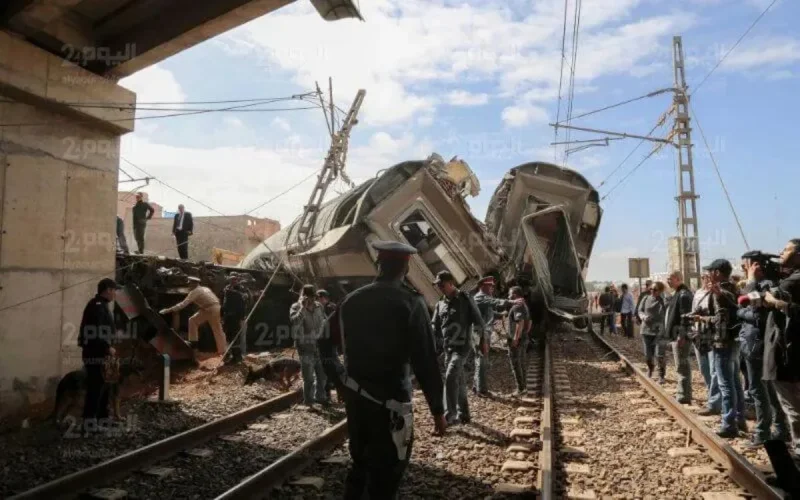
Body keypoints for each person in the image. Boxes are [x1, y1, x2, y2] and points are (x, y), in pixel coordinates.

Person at [320, 240, 445, 499]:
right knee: (389, 469)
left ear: (378, 264)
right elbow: (426, 361)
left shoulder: (351, 301)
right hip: (393, 402)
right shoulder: (411, 303)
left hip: (356, 399)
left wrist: (340, 381)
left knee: (361, 463)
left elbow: (323, 343)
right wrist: (438, 410)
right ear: (406, 267)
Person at [738, 252, 790, 448]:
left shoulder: (765, 285)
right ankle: (779, 429)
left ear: (755, 265)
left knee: (759, 390)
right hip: (754, 343)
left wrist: (750, 282)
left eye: (747, 265)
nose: (744, 268)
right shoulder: (763, 285)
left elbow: (754, 313)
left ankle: (764, 432)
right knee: (766, 389)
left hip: (758, 344)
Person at [697, 259, 745, 438]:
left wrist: (703, 320)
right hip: (734, 341)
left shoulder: (719, 292)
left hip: (722, 342)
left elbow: (721, 320)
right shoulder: (734, 288)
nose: (708, 274)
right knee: (735, 382)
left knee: (725, 385)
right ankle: (740, 419)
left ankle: (728, 424)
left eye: (710, 271)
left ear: (717, 272)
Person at [763, 239, 800, 458]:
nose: (780, 252)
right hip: (791, 351)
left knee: (793, 408)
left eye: (786, 249)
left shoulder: (793, 282)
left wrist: (773, 300)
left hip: (788, 354)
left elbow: (768, 300)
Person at [431, 271, 485, 424]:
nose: (440, 288)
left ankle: (449, 416)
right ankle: (465, 415)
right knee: (459, 380)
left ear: (451, 283)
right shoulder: (440, 303)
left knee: (450, 376)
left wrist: (482, 342)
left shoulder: (465, 300)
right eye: (438, 286)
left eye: (442, 285)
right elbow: (434, 326)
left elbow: (479, 322)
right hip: (448, 348)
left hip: (462, 347)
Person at [78, 278, 120, 432]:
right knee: (95, 387)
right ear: (108, 290)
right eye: (114, 290)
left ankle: (103, 418)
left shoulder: (102, 305)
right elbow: (95, 330)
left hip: (101, 353)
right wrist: (107, 347)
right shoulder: (96, 306)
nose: (115, 293)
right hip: (95, 353)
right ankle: (89, 423)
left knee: (104, 386)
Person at [159, 277, 227, 355]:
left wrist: (167, 310)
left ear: (194, 284)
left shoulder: (195, 291)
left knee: (216, 329)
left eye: (190, 283)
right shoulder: (205, 288)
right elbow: (216, 299)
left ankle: (223, 351)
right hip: (211, 307)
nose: (189, 285)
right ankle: (194, 343)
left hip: (210, 309)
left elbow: (183, 304)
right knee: (193, 320)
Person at [290, 285, 329, 406]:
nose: (312, 300)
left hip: (319, 345)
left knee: (322, 376)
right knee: (309, 378)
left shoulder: (319, 306)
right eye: (309, 297)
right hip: (305, 346)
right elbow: (294, 321)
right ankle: (309, 401)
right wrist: (303, 307)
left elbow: (324, 321)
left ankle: (321, 398)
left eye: (313, 297)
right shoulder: (295, 307)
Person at [471, 276, 509, 395]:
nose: (492, 288)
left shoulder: (484, 298)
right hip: (480, 333)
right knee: (482, 361)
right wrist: (511, 302)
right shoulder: (480, 297)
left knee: (480, 360)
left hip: (483, 332)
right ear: (482, 286)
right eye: (489, 286)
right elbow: (495, 302)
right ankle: (482, 390)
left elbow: (489, 312)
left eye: (492, 286)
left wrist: (500, 314)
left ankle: (476, 386)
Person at [693, 272, 721, 415]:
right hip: (699, 333)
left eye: (708, 277)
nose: (706, 280)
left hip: (712, 334)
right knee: (704, 369)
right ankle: (712, 396)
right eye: (703, 277)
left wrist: (702, 318)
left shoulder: (717, 293)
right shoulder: (697, 293)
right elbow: (693, 311)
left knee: (713, 369)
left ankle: (715, 402)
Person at [665, 271, 694, 404]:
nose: (668, 281)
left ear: (678, 279)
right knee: (681, 365)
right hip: (676, 335)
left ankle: (683, 395)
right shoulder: (678, 293)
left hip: (680, 336)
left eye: (670, 279)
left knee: (682, 365)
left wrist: (681, 335)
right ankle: (683, 392)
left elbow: (685, 317)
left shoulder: (683, 295)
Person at [638, 281, 668, 383]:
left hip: (660, 331)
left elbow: (669, 305)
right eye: (651, 289)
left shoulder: (663, 299)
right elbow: (640, 310)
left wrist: (664, 295)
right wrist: (643, 317)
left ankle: (661, 375)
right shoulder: (646, 298)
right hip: (646, 330)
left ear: (660, 290)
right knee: (648, 355)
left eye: (655, 290)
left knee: (660, 354)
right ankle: (650, 368)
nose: (652, 291)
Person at [505, 286, 532, 395]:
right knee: (521, 362)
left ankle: (521, 389)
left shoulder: (517, 306)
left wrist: (516, 338)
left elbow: (520, 322)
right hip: (524, 338)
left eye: (509, 294)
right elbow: (530, 322)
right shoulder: (524, 305)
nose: (508, 296)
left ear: (515, 295)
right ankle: (524, 387)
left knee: (516, 364)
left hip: (518, 340)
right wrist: (525, 333)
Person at [221, 273, 249, 364]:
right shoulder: (226, 291)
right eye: (231, 280)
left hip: (235, 318)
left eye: (234, 280)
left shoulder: (239, 293)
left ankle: (238, 357)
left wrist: (241, 318)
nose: (232, 282)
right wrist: (222, 316)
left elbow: (242, 307)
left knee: (236, 337)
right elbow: (224, 305)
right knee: (229, 337)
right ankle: (231, 355)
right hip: (228, 318)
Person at [316, 289, 337, 401]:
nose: (320, 300)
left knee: (329, 367)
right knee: (322, 368)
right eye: (318, 298)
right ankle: (324, 394)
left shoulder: (330, 309)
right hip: (321, 343)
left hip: (328, 343)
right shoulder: (316, 309)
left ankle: (327, 392)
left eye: (321, 297)